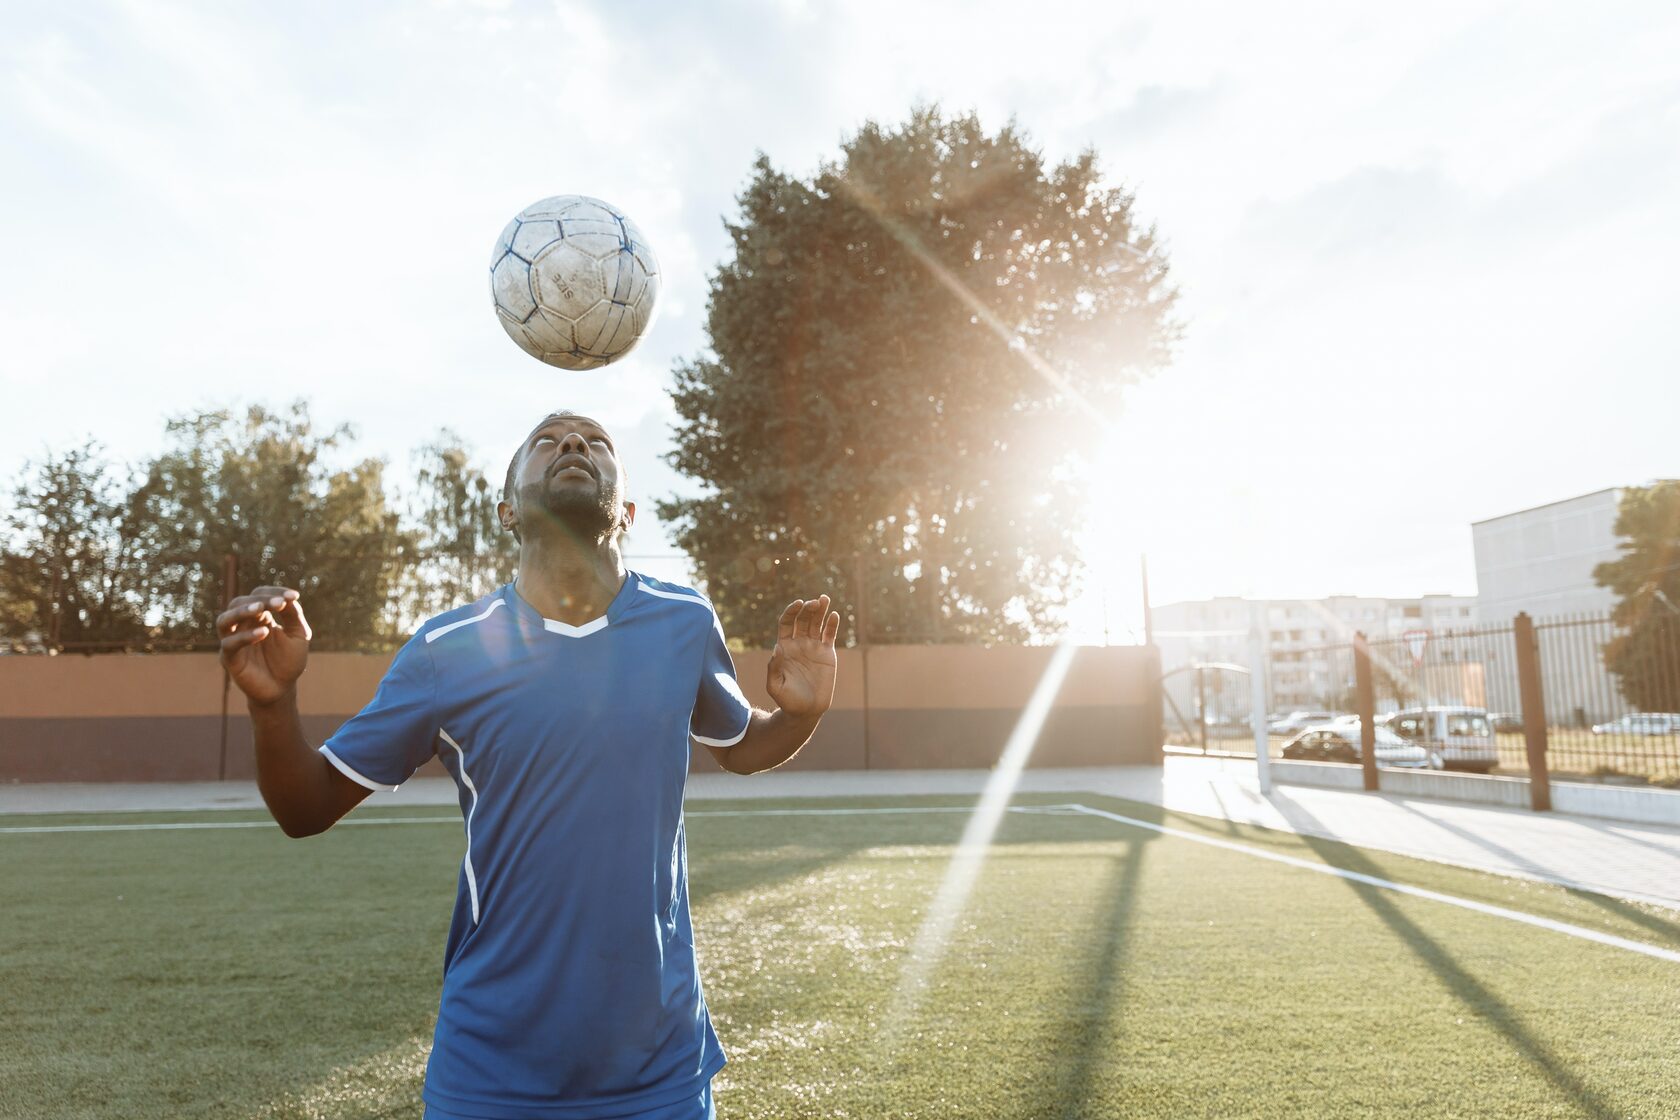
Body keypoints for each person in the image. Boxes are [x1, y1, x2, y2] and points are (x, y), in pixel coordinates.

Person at [217, 410, 840, 1120]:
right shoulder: (445, 649)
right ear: (508, 510)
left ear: (627, 510)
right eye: (546, 442)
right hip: (491, 1072)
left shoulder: (685, 621)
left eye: (596, 443)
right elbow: (305, 808)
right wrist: (274, 706)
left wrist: (799, 717)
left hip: (659, 1069)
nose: (573, 445)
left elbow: (742, 748)